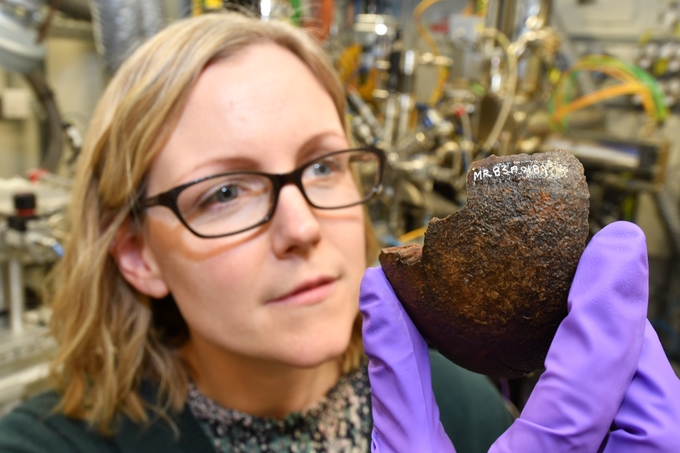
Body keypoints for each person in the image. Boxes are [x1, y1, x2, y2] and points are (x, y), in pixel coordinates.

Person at [0, 10, 678, 453]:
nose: (301, 226)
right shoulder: (47, 445)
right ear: (137, 255)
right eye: (227, 191)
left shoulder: (457, 405)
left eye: (323, 165)